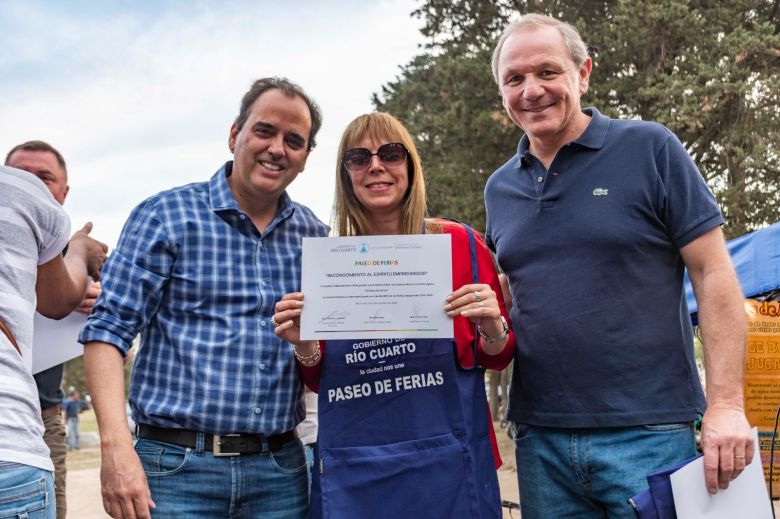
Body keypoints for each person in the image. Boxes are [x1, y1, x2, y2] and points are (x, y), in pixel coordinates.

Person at [484, 13, 753, 518]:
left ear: (583, 73)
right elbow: (521, 296)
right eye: (514, 79)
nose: (531, 90)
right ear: (501, 92)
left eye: (547, 71)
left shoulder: (651, 148)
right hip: (540, 441)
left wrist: (726, 405)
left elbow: (714, 273)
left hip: (649, 435)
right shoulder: (499, 188)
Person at [80, 77, 328, 519]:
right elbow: (107, 331)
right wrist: (116, 450)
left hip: (280, 471)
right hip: (175, 471)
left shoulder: (316, 237)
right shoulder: (165, 216)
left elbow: (323, 350)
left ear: (306, 158)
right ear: (235, 134)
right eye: (265, 131)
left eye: (295, 140)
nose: (277, 148)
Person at [272, 112, 516, 518]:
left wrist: (493, 324)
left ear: (410, 164)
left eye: (390, 153)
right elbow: (317, 379)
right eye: (358, 157)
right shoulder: (328, 262)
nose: (375, 166)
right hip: (357, 477)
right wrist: (304, 343)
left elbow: (498, 355)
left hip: (451, 471)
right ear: (345, 174)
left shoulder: (461, 244)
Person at [0, 164, 107, 519]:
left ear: (63, 192)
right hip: (12, 440)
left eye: (45, 176)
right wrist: (77, 252)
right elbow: (58, 298)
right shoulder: (18, 191)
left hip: (38, 420)